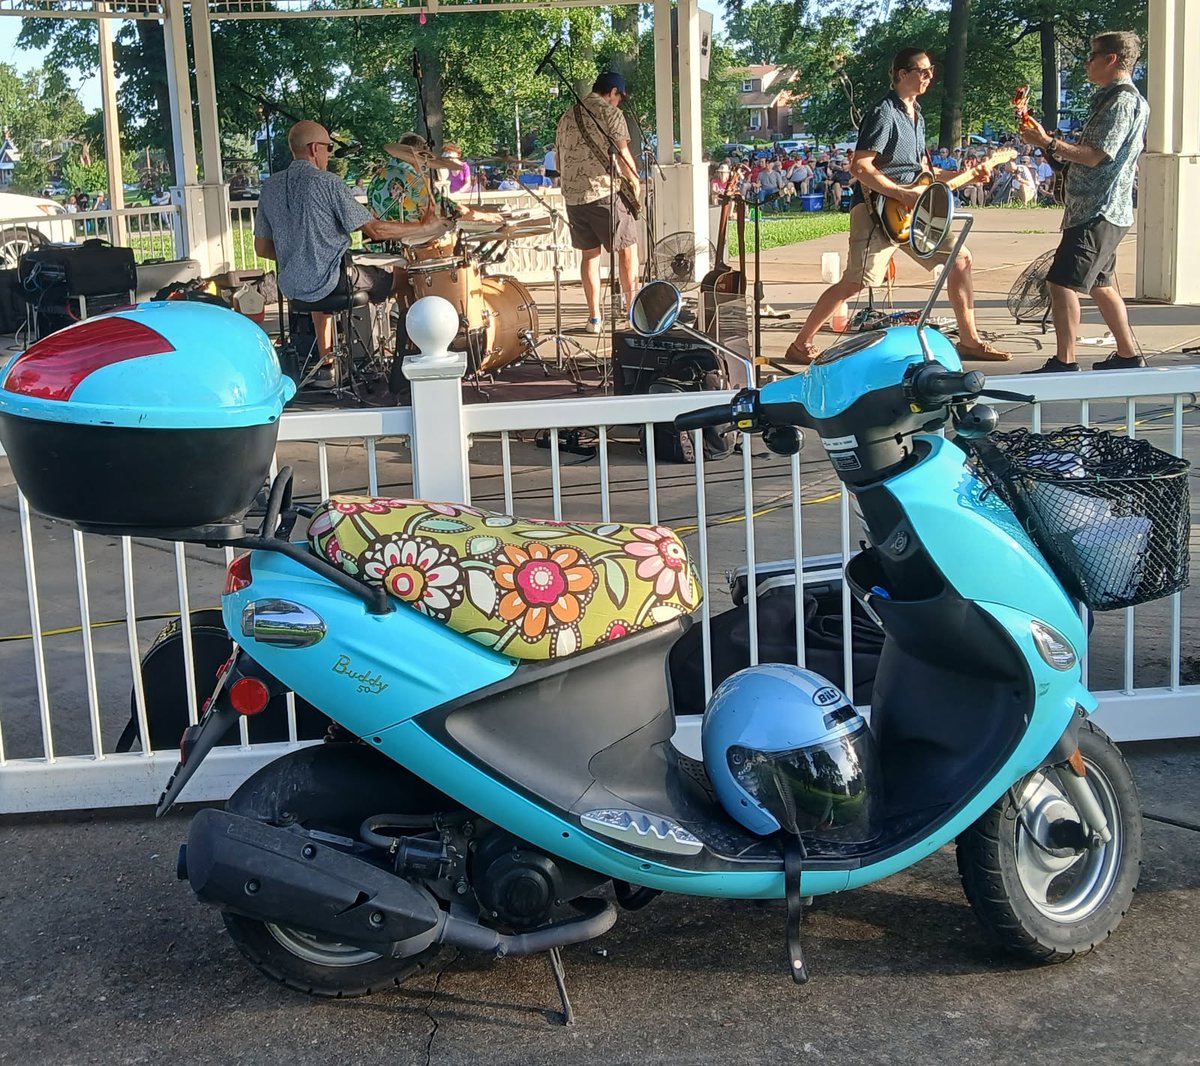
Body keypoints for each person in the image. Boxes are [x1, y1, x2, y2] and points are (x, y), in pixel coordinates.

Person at [784, 47, 1006, 364]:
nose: (930, 77)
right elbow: (860, 167)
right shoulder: (884, 113)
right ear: (903, 74)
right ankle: (800, 344)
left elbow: (922, 170)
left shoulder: (917, 115)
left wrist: (967, 177)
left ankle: (969, 340)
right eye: (923, 71)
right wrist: (901, 194)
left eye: (932, 71)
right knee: (855, 282)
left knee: (960, 258)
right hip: (876, 210)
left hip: (912, 209)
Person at [253, 119, 438, 366]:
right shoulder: (328, 183)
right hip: (332, 282)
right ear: (313, 149)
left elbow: (262, 248)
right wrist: (424, 227)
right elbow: (376, 230)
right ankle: (411, 357)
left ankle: (326, 364)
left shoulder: (270, 187)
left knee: (320, 277)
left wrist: (302, 254)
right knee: (405, 278)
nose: (330, 154)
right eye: (328, 148)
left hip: (292, 287)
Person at [1019, 31, 1150, 373]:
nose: (1086, 63)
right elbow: (1083, 157)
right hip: (1098, 208)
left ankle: (1065, 361)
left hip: (1099, 209)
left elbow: (1095, 156)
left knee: (1061, 282)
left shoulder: (1121, 102)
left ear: (1110, 60)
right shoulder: (1111, 99)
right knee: (1100, 284)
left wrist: (1048, 141)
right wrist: (1047, 145)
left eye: (1092, 56)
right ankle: (1127, 354)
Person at [554, 70, 641, 334]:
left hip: (574, 198)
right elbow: (623, 154)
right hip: (605, 193)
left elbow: (558, 162)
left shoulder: (567, 116)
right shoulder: (610, 113)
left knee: (589, 255)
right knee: (627, 251)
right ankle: (631, 313)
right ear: (612, 92)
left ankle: (594, 318)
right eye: (619, 97)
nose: (619, 102)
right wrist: (636, 183)